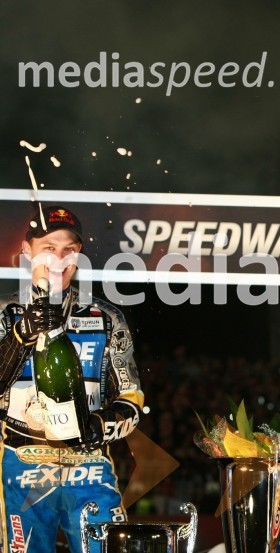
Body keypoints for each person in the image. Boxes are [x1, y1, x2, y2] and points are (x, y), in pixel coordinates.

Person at [0, 205, 143, 553]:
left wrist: (101, 425)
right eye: (49, 247)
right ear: (26, 251)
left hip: (88, 465)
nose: (59, 259)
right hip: (21, 463)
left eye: (69, 249)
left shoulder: (107, 318)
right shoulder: (5, 314)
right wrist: (21, 335)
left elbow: (133, 400)